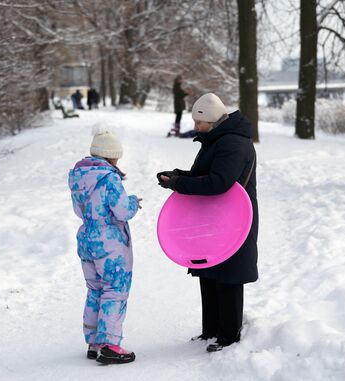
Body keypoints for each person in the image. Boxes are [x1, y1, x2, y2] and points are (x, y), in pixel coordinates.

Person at [157, 93, 258, 353]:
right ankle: (211, 330)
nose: (195, 126)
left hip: (234, 220)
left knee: (228, 278)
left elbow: (219, 183)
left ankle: (228, 336)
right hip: (215, 218)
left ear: (211, 121)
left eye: (199, 122)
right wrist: (177, 177)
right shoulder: (216, 140)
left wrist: (180, 184)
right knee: (209, 272)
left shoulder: (233, 143)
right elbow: (206, 175)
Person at [68, 127, 141, 364]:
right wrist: (132, 202)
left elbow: (79, 210)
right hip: (109, 242)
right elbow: (121, 211)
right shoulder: (109, 178)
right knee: (114, 290)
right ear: (111, 155)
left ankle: (94, 342)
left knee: (95, 289)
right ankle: (109, 344)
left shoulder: (79, 176)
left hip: (87, 238)